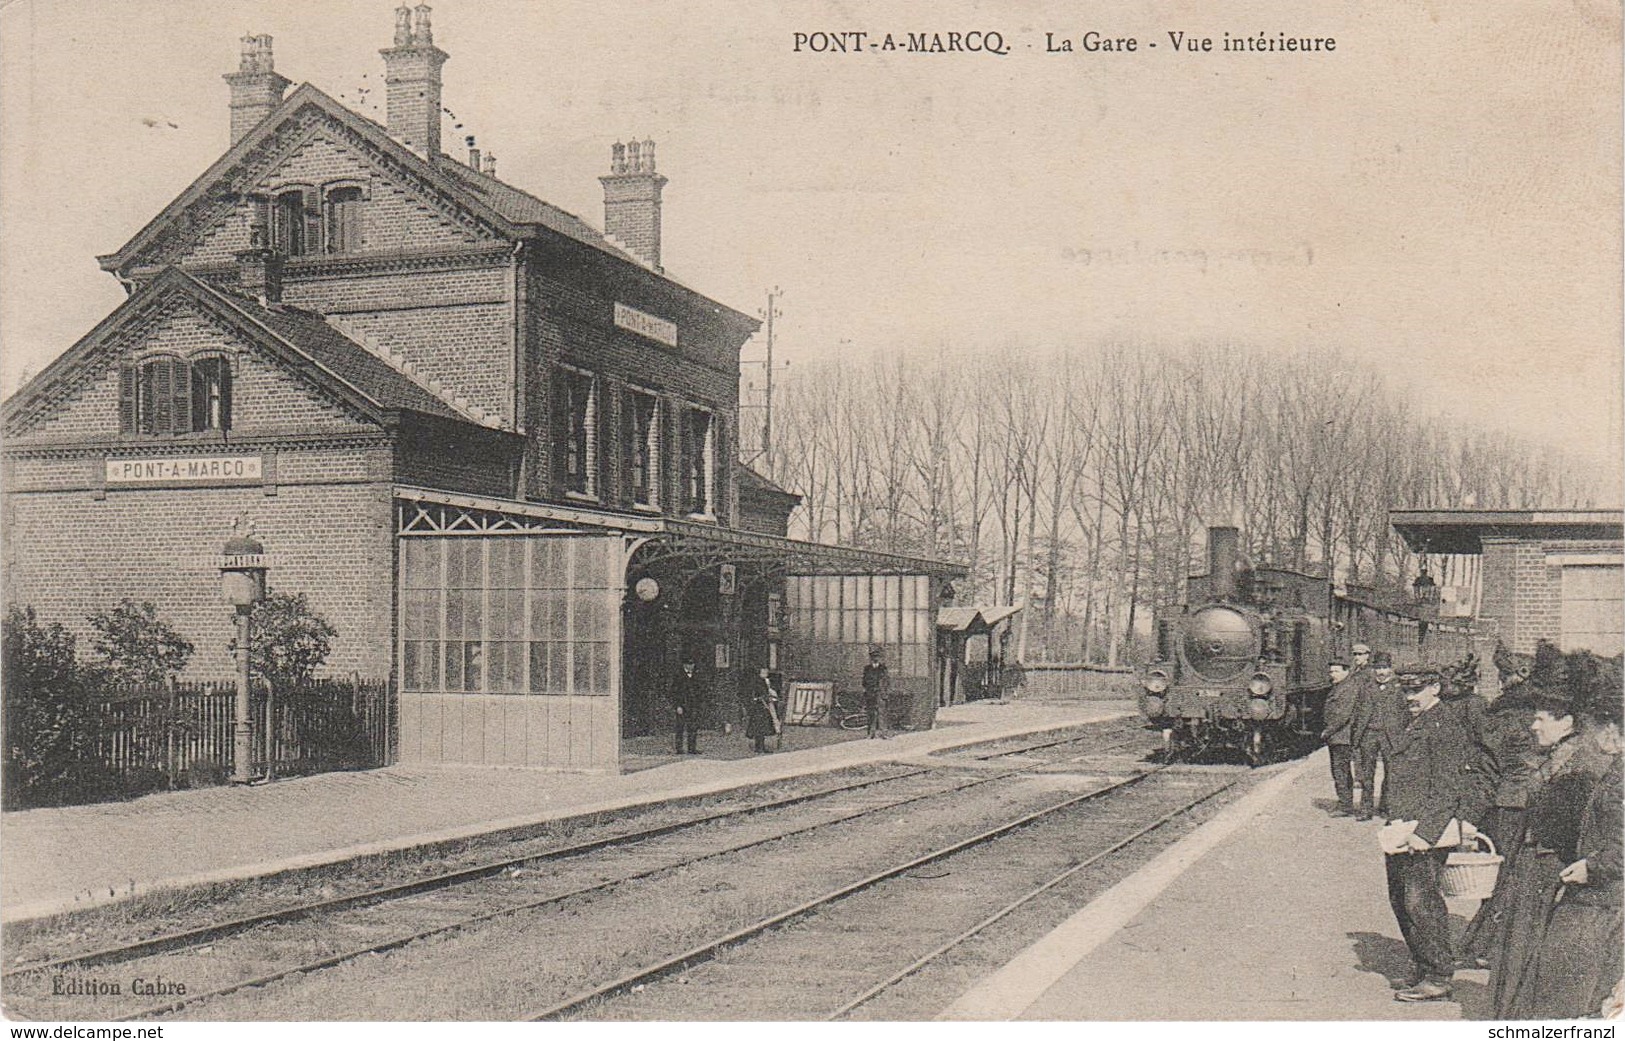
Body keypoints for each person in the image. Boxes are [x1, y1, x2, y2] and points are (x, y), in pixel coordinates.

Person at [1488, 689, 1611, 1018]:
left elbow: (1585, 830)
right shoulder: (1558, 757)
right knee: (1517, 944)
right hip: (1535, 862)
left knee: (1530, 947)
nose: (1533, 726)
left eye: (1541, 719)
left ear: (1567, 722)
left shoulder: (1581, 767)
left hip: (1551, 867)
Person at [1525, 685, 1622, 1019]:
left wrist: (1592, 867)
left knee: (1566, 995)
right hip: (1602, 898)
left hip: (1603, 901)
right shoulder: (1615, 767)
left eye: (1593, 729)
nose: (1591, 739)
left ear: (1611, 730)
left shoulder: (1619, 774)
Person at [1380, 666, 1475, 1002]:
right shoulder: (1413, 720)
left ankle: (1438, 975)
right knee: (1400, 900)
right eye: (1405, 691)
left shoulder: (1445, 725)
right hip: (1401, 827)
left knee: (1421, 902)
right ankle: (1423, 967)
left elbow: (1449, 787)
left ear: (1434, 688)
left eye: (1416, 691)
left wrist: (1426, 833)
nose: (1409, 698)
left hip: (1422, 832)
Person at [1457, 686, 1539, 967]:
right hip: (1529, 805)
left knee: (1496, 877)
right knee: (1515, 877)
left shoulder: (1499, 723)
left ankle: (1484, 946)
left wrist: (1469, 817)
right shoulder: (1542, 720)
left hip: (1504, 807)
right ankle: (1495, 946)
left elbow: (1486, 773)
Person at [1351, 650, 1407, 819]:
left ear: (1391, 669)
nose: (1381, 672)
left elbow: (1405, 712)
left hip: (1390, 735)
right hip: (1369, 734)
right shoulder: (1366, 687)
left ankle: (1386, 807)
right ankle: (1366, 809)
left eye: (1385, 668)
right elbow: (1357, 711)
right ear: (1373, 669)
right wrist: (1356, 734)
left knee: (1392, 773)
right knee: (1367, 774)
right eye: (1378, 668)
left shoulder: (1399, 688)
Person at [1321, 657, 1358, 816]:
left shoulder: (1348, 688)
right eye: (1331, 671)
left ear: (1346, 671)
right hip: (1339, 736)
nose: (1332, 674)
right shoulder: (1340, 686)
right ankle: (1345, 802)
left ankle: (1345, 806)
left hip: (1342, 736)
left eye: (1336, 671)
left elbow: (1343, 715)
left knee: (1340, 771)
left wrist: (1327, 731)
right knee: (1340, 770)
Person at [743, 667, 781, 754]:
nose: (765, 673)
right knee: (759, 728)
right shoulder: (757, 682)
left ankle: (761, 747)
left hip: (764, 707)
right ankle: (759, 747)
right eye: (763, 671)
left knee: (762, 728)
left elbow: (768, 692)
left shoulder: (766, 681)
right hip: (759, 708)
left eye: (766, 671)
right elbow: (758, 693)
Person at [671, 657, 704, 755]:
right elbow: (674, 692)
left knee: (693, 727)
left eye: (692, 665)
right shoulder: (678, 676)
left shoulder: (696, 675)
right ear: (684, 665)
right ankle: (679, 749)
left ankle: (692, 748)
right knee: (680, 727)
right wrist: (677, 706)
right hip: (682, 706)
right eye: (689, 665)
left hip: (693, 706)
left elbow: (698, 690)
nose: (691, 667)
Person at [862, 645, 891, 739]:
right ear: (871, 658)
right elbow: (864, 682)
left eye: (877, 657)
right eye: (873, 657)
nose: (875, 659)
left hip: (880, 694)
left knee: (882, 713)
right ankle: (871, 734)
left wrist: (884, 693)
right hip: (870, 694)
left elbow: (886, 682)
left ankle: (884, 733)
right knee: (871, 714)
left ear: (879, 658)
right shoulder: (867, 669)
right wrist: (868, 690)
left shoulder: (883, 668)